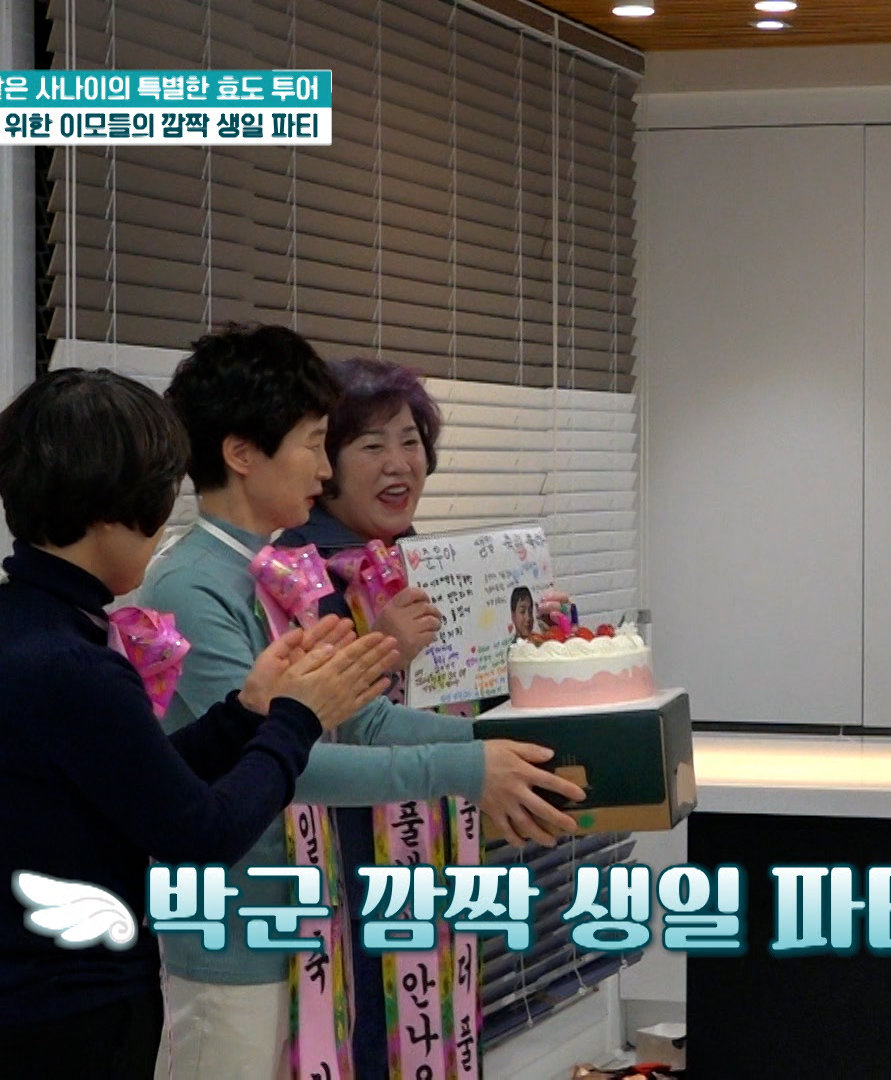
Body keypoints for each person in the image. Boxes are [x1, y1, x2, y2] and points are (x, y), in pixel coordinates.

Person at [0, 368, 397, 1079]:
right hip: (67, 1031)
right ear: (113, 507)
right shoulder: (68, 662)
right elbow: (201, 834)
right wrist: (298, 721)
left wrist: (246, 713)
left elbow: (129, 781)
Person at [141, 329, 583, 1079]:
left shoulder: (275, 571)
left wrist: (494, 747)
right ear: (242, 453)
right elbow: (288, 759)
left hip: (311, 921)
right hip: (238, 931)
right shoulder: (191, 584)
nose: (324, 468)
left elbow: (356, 716)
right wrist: (468, 768)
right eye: (317, 444)